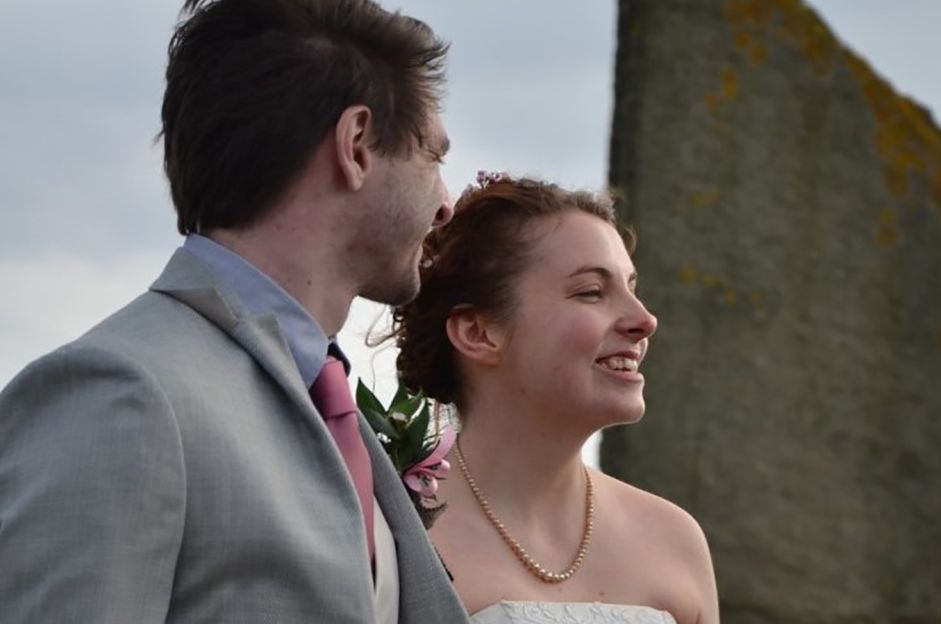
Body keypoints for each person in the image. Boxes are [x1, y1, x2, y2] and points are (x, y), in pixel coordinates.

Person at [0, 1, 469, 622]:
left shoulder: (330, 407)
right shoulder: (119, 392)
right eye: (434, 157)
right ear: (355, 144)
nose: (445, 205)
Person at [392, 174, 720, 624]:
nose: (644, 320)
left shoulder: (675, 540)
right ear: (478, 332)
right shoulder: (392, 531)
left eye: (633, 288)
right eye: (591, 292)